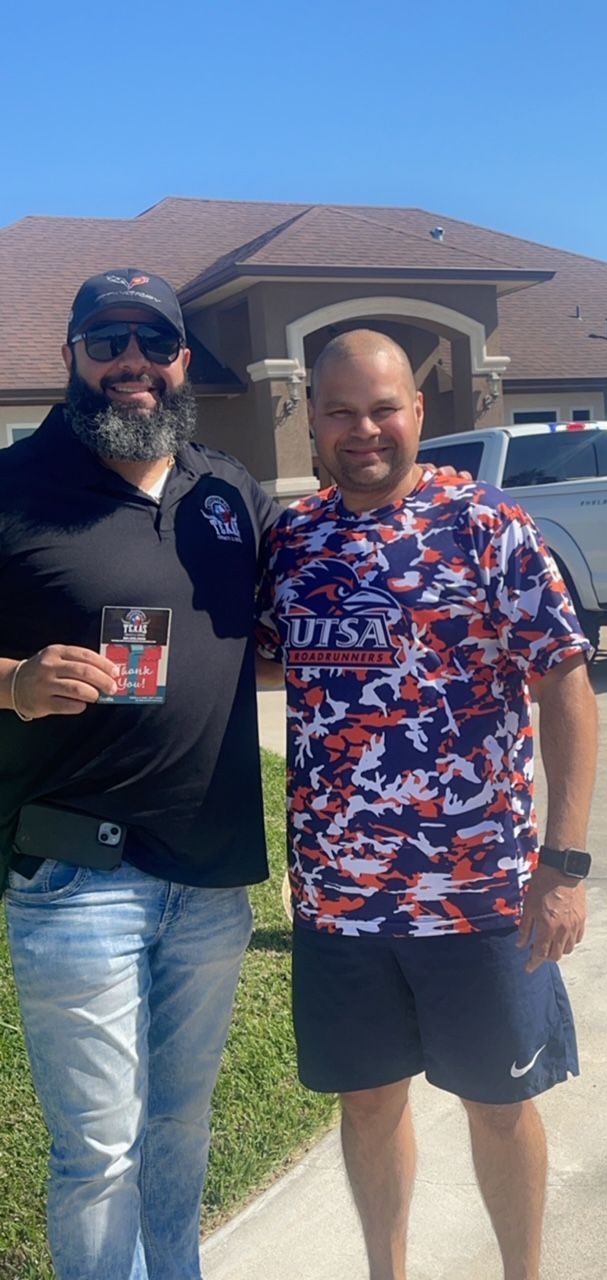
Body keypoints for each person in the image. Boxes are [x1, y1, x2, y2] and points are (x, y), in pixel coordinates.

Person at [257, 330, 598, 1280]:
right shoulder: (292, 540)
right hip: (338, 904)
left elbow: (566, 685)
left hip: (480, 896)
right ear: (313, 421)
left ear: (418, 411)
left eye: (383, 408)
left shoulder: (487, 526)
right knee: (366, 1104)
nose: (363, 430)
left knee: (498, 1104)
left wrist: (562, 866)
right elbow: (254, 654)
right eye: (340, 411)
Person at [0, 269, 278, 1280]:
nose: (131, 364)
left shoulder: (229, 491)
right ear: (70, 358)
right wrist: (14, 678)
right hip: (77, 881)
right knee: (98, 1152)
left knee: (181, 1125)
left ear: (181, 361)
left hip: (208, 878)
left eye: (151, 343)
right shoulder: (14, 488)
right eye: (105, 340)